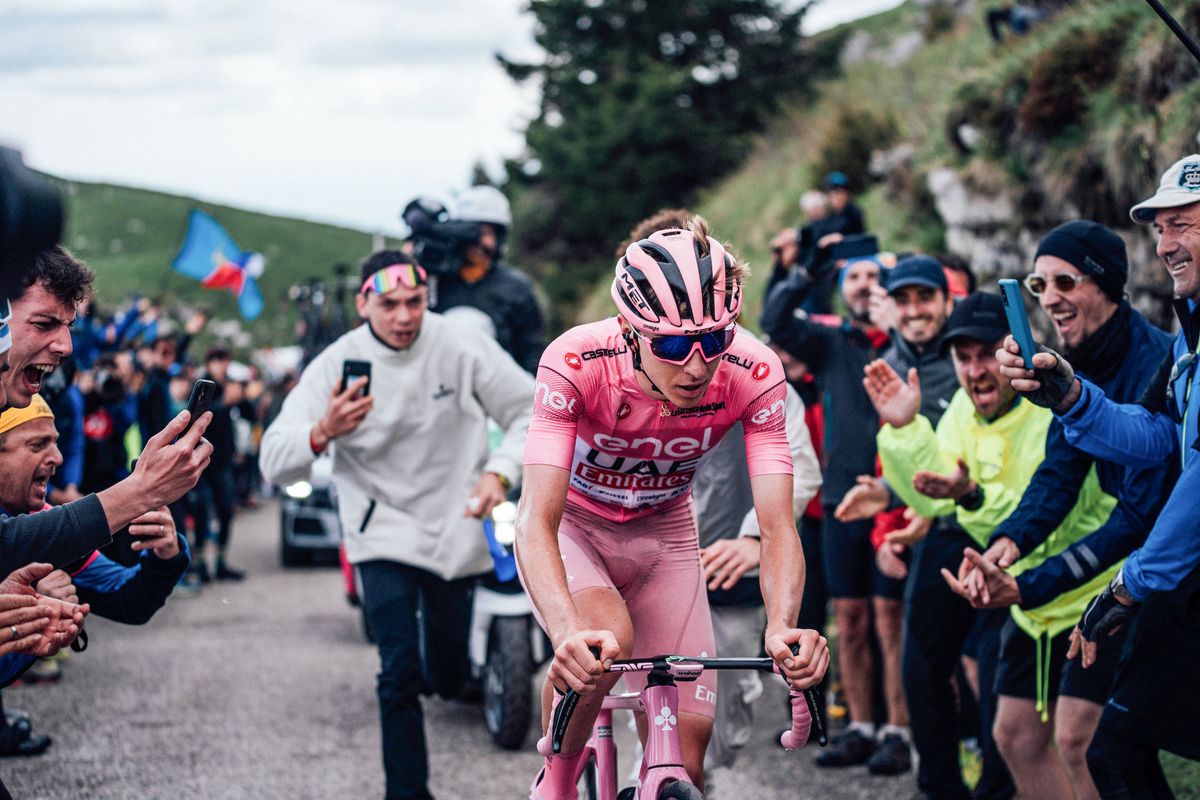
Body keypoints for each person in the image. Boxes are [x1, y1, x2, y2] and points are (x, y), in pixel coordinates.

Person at [518, 218, 828, 799]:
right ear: (630, 332)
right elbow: (537, 518)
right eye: (671, 345)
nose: (696, 365)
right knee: (601, 643)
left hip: (666, 536)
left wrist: (784, 625)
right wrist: (564, 632)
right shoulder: (577, 361)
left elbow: (777, 524)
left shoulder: (754, 372)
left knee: (687, 761)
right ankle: (555, 785)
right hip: (578, 531)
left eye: (714, 340)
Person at [260, 250, 534, 800]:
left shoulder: (458, 343)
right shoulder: (338, 363)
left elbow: (532, 409)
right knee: (398, 670)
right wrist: (321, 432)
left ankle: (447, 670)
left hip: (456, 522)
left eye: (414, 302)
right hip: (379, 527)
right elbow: (274, 456)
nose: (404, 316)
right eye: (389, 305)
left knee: (448, 676)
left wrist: (499, 475)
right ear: (364, 304)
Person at [945, 221, 1173, 799]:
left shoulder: (1156, 362)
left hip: (1146, 574)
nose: (1048, 298)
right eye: (1038, 284)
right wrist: (1005, 544)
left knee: (1084, 742)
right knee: (1017, 734)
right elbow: (1057, 475)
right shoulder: (1073, 361)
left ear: (1109, 284)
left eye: (1064, 281)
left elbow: (1136, 518)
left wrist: (1028, 587)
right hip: (1085, 580)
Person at [996, 154, 1200, 795]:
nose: (1164, 245)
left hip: (1166, 580)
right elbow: (1165, 442)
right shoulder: (1189, 339)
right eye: (1159, 229)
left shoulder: (1166, 344)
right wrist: (1072, 399)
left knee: (1110, 740)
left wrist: (1125, 588)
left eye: (1183, 225)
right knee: (1111, 742)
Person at [862, 292, 1119, 800]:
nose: (976, 371)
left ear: (1014, 353)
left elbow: (1038, 517)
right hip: (1016, 590)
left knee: (1082, 749)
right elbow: (934, 496)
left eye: (987, 355)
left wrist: (970, 495)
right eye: (964, 358)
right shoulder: (961, 406)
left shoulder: (1050, 407)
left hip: (1077, 591)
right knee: (1003, 726)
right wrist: (905, 429)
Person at [837, 261, 1015, 796]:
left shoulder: (979, 361)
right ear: (890, 304)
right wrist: (887, 495)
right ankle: (940, 785)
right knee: (920, 666)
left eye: (925, 297)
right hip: (945, 526)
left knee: (989, 669)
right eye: (904, 299)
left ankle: (998, 784)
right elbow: (928, 471)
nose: (915, 310)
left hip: (1005, 530)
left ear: (945, 299)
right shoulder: (888, 366)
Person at [761, 252, 905, 771]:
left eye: (874, 276)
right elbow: (774, 321)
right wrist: (805, 273)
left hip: (899, 497)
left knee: (892, 617)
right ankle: (862, 725)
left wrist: (899, 335)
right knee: (850, 618)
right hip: (840, 501)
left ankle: (899, 729)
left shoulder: (906, 340)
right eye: (855, 278)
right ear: (843, 290)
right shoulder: (831, 343)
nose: (866, 285)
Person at [0, 395, 190, 685]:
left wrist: (164, 554)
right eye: (37, 445)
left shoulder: (45, 516)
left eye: (54, 442)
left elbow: (130, 601)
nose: (58, 458)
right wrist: (24, 613)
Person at [427, 185, 546, 374]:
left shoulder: (517, 288)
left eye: (487, 233)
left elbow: (532, 350)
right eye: (472, 232)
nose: (481, 242)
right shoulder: (434, 282)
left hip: (501, 390)